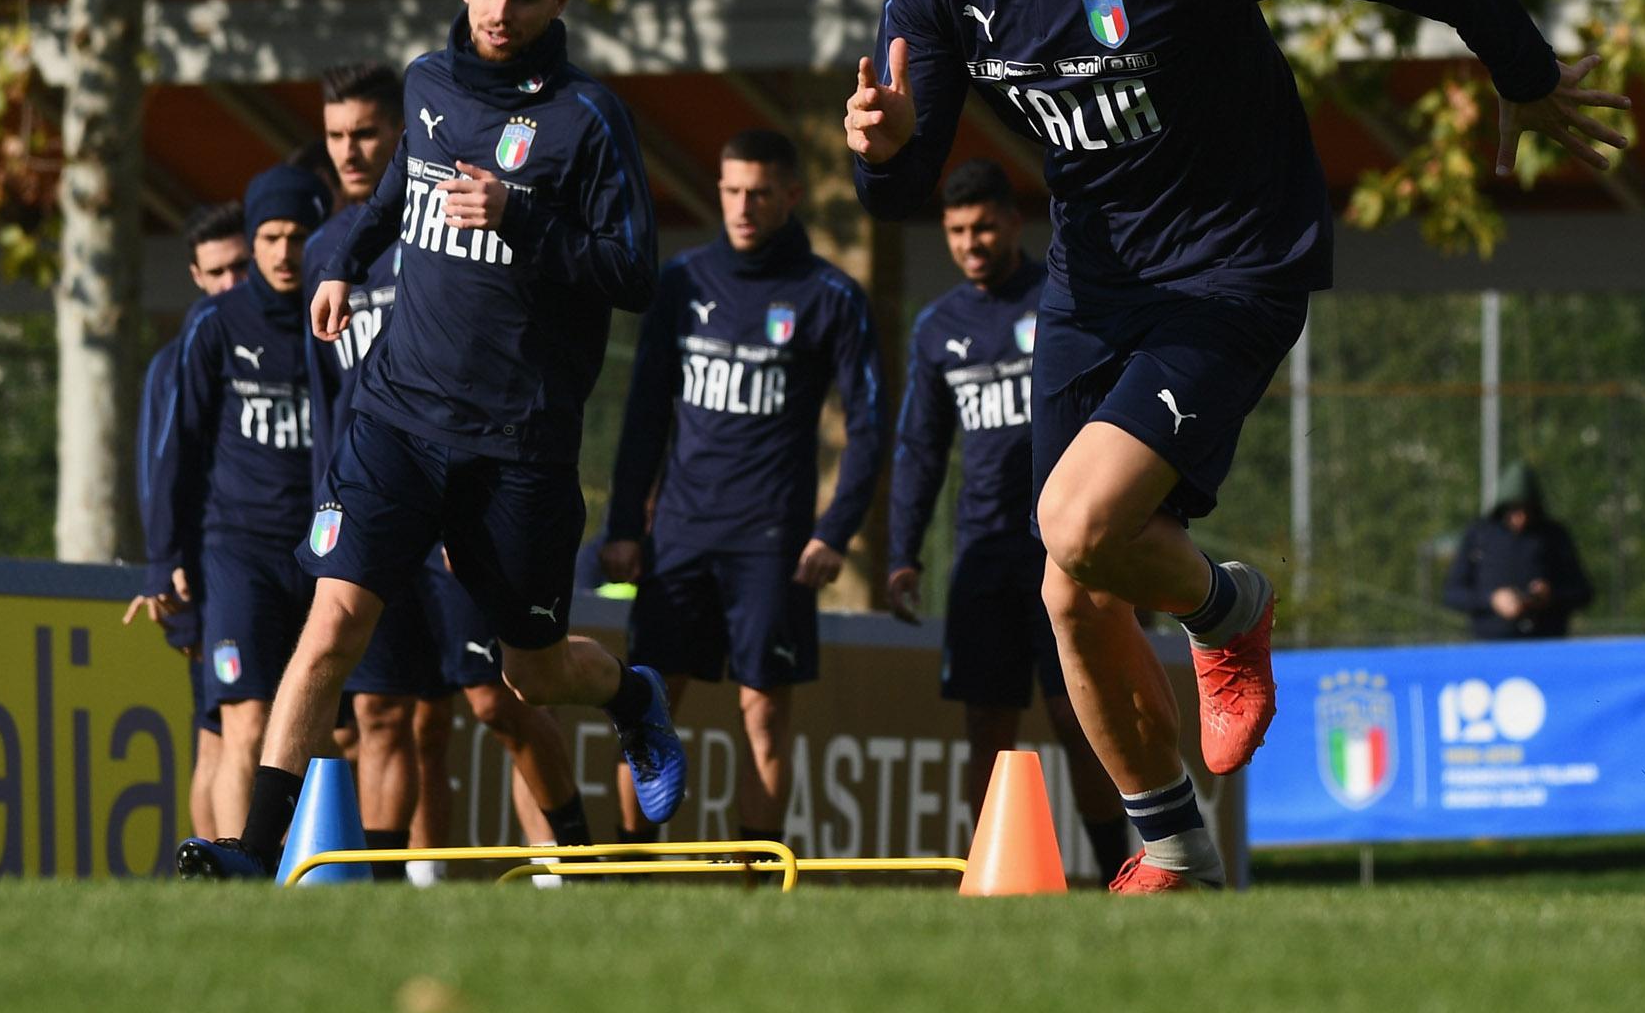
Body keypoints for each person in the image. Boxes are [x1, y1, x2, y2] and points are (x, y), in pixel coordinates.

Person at [845, 0, 1627, 893]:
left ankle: (1227, 609)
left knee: (1075, 528)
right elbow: (903, 181)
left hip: (1233, 266)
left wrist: (1519, 69)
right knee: (1070, 588)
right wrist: (885, 146)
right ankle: (1175, 854)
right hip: (1090, 286)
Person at [179, 0, 684, 879]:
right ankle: (252, 855)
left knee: (529, 673)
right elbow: (398, 190)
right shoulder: (430, 83)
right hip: (398, 418)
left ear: (561, 0)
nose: (502, 10)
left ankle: (630, 699)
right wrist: (343, 259)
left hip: (519, 446)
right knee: (331, 623)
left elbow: (634, 273)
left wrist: (521, 218)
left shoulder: (589, 120)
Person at [305, 60, 597, 881]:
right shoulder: (329, 254)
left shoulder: (444, 223)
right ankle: (389, 888)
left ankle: (570, 854)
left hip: (462, 489)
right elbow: (325, 400)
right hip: (378, 490)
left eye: (366, 133)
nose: (350, 152)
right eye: (335, 137)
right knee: (380, 712)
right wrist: (333, 511)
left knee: (495, 699)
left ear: (401, 136)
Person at [599, 129, 883, 843]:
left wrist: (834, 529)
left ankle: (753, 885)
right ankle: (627, 876)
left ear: (790, 195)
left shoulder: (829, 296)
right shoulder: (683, 283)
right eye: (730, 191)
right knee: (647, 708)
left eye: (759, 192)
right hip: (679, 537)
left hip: (772, 542)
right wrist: (625, 526)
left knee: (764, 714)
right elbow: (643, 416)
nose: (742, 206)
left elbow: (872, 426)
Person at [884, 159, 1131, 881]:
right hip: (983, 554)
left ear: (1012, 222)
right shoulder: (937, 328)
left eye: (984, 225)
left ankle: (1116, 870)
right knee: (986, 728)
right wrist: (903, 552)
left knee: (1074, 718)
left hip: (1061, 549)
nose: (972, 242)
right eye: (957, 231)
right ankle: (986, 872)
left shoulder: (1061, 300)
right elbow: (921, 448)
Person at [161, 164, 331, 837]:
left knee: (319, 738)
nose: (284, 252)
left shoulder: (341, 317)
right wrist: (164, 559)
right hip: (237, 552)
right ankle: (242, 877)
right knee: (245, 723)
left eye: (297, 235)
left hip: (321, 555)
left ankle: (327, 876)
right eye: (270, 236)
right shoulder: (214, 326)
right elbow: (179, 450)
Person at [126, 201, 249, 844]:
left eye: (242, 268)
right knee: (221, 735)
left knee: (226, 732)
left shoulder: (265, 346)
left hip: (256, 565)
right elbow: (159, 471)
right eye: (218, 273)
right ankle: (226, 876)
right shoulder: (181, 358)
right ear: (197, 278)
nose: (232, 285)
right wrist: (168, 564)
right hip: (204, 571)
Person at [1443, 460, 1596, 640]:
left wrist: (1550, 596)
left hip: (1544, 641)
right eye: (1514, 510)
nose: (1520, 518)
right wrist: (1492, 600)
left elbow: (1582, 591)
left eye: (1526, 510)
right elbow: (1453, 593)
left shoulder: (1553, 535)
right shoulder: (1479, 535)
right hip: (1491, 644)